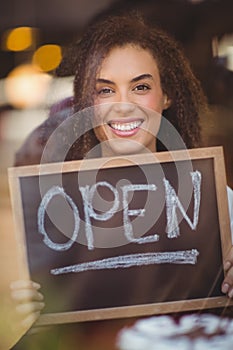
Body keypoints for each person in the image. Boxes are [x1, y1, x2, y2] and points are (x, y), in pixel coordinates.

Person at [9, 12, 233, 349]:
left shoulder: (220, 202)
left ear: (167, 95)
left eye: (140, 87)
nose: (123, 106)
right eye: (105, 90)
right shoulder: (58, 207)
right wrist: (37, 312)